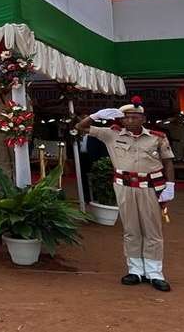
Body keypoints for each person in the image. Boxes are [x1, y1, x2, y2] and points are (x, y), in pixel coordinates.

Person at [75, 101, 176, 292]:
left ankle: (154, 272)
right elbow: (80, 127)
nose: (129, 120)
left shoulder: (157, 137)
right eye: (126, 117)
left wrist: (170, 185)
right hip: (125, 186)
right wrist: (96, 116)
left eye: (135, 117)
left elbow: (168, 162)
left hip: (150, 186)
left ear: (143, 119)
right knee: (131, 228)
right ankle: (135, 269)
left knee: (152, 229)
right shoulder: (111, 134)